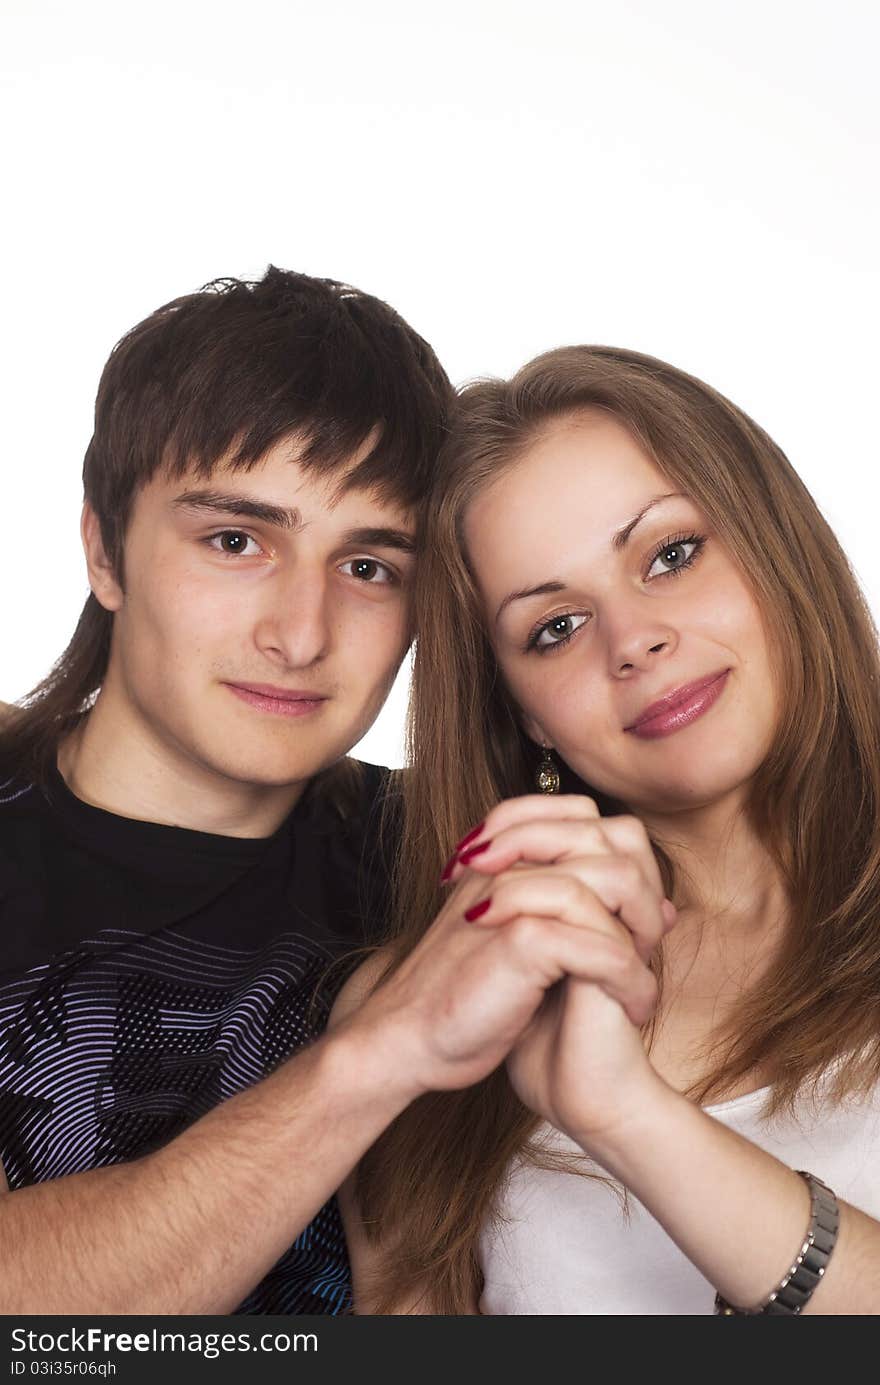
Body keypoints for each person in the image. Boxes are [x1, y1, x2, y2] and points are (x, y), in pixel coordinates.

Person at [0, 276, 646, 1316]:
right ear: (103, 550)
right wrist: (378, 1056)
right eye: (235, 540)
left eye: (368, 565)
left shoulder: (463, 864)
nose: (301, 633)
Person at [335, 344, 880, 1315]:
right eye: (555, 626)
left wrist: (624, 1115)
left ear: (775, 544)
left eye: (669, 554)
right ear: (525, 715)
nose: (633, 641)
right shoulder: (427, 1007)